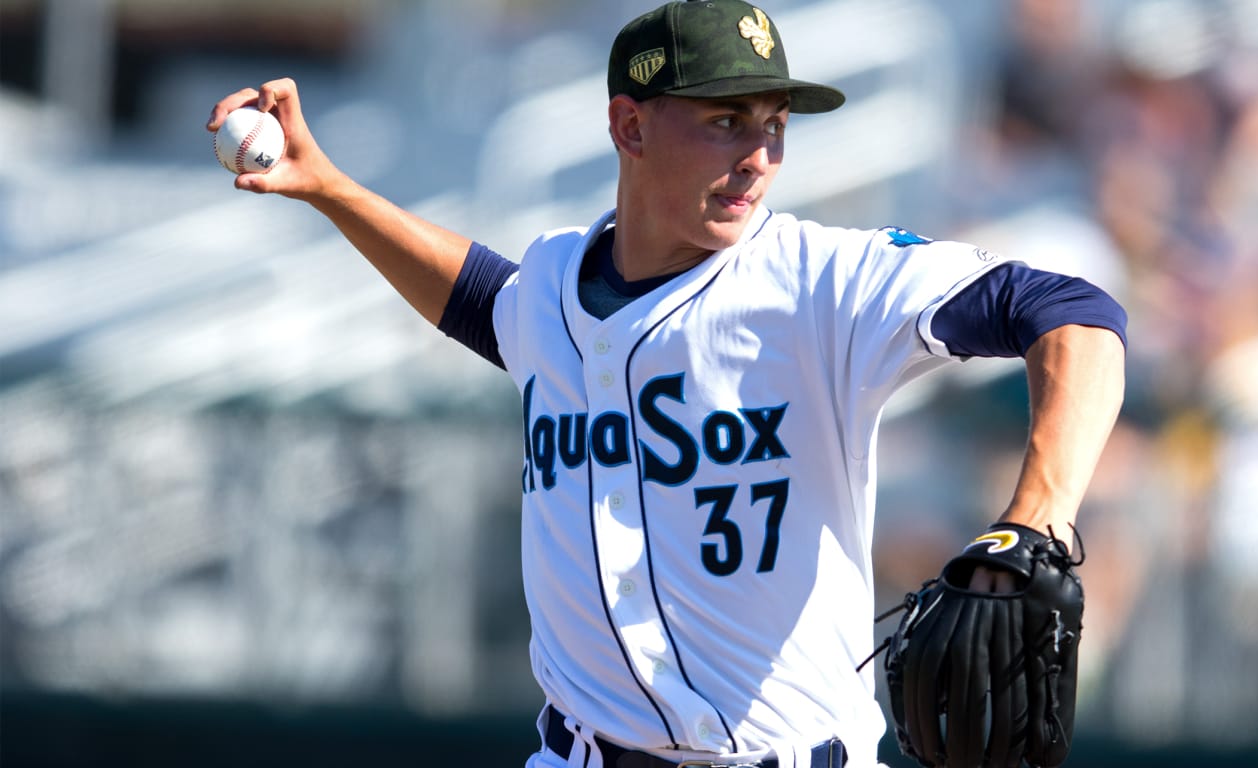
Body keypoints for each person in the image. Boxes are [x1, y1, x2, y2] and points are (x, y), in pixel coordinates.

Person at [205, 1, 1126, 766]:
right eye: (727, 120)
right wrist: (329, 188)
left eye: (774, 124)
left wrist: (1036, 516)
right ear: (628, 124)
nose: (760, 154)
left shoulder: (823, 283)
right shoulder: (557, 287)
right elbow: (487, 299)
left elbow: (1074, 313)